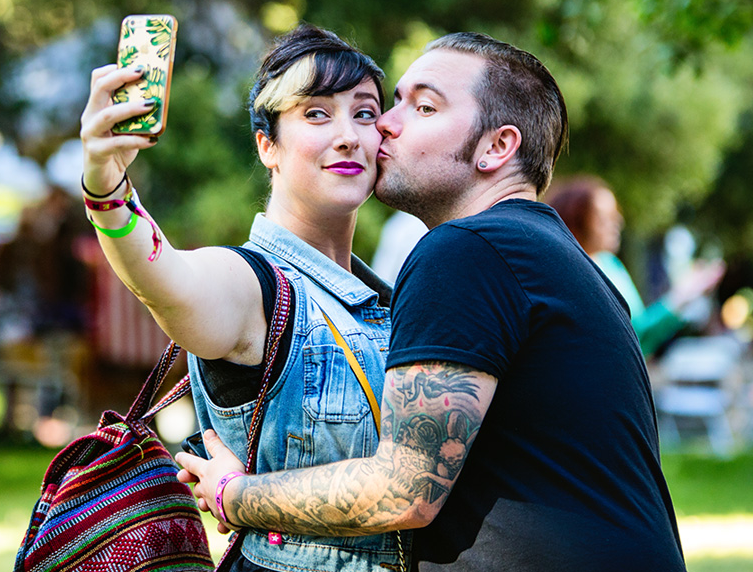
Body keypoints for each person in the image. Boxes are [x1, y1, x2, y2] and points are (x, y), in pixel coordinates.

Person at [177, 32, 687, 571]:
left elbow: (405, 488)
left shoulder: (467, 251)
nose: (386, 126)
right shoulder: (558, 259)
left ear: (497, 147)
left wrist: (234, 493)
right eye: (393, 103)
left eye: (423, 106)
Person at [78, 24, 402, 571]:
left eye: (365, 113)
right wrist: (107, 191)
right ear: (266, 145)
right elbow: (171, 282)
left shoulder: (389, 298)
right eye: (317, 114)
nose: (348, 135)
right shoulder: (249, 283)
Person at [546, 175, 724, 356]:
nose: (618, 222)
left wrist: (683, 296)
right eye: (604, 217)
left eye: (616, 214)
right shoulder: (569, 273)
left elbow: (639, 333)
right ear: (576, 222)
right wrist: (681, 296)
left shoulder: (611, 264)